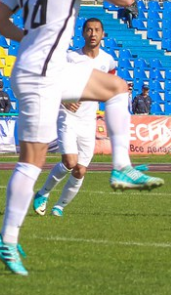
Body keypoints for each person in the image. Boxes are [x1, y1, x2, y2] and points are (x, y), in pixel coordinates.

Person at [0, 0, 164, 276]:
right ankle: (7, 236)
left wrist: (27, 37)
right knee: (31, 160)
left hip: (46, 68)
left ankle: (121, 168)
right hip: (40, 76)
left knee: (115, 88)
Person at [32, 18, 116, 218]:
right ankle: (43, 193)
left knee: (80, 170)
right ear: (83, 33)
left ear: (103, 34)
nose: (93, 33)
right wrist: (64, 100)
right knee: (70, 161)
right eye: (89, 30)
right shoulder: (69, 58)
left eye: (97, 30)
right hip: (68, 116)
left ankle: (59, 206)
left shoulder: (108, 60)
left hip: (89, 121)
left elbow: (110, 85)